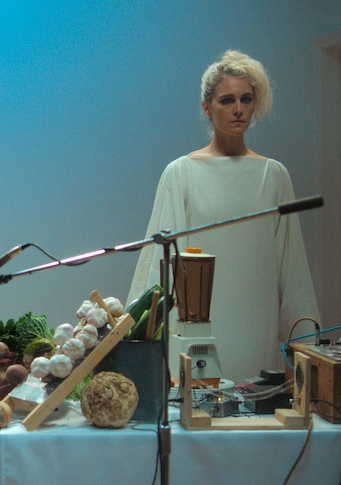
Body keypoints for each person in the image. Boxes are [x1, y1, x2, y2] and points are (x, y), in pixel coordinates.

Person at [128, 50, 321, 383]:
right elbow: (159, 268)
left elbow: (293, 268)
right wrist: (146, 344)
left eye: (246, 100)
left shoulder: (273, 175)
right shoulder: (181, 173)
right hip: (198, 330)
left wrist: (304, 348)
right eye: (227, 100)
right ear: (207, 107)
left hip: (255, 325)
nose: (238, 109)